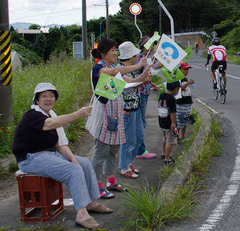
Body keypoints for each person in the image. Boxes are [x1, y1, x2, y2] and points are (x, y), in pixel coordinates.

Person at [12, 83, 112, 230]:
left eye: (51, 96)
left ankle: (91, 202)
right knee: (73, 170)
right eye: (44, 96)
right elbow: (49, 124)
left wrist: (73, 159)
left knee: (83, 163)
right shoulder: (32, 115)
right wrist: (78, 114)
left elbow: (61, 144)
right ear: (37, 100)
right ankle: (82, 215)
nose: (48, 99)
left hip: (50, 154)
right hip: (30, 158)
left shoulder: (52, 114)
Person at [88, 38, 147, 199]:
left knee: (113, 151)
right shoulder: (98, 69)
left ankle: (111, 181)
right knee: (100, 152)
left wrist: (147, 72)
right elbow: (114, 73)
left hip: (116, 114)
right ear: (103, 53)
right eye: (113, 50)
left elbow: (131, 83)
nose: (116, 53)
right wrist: (138, 66)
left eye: (116, 50)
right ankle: (97, 185)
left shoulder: (113, 68)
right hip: (103, 116)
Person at [118, 41, 153, 178]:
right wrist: (145, 74)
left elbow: (134, 84)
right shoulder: (119, 69)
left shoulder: (130, 68)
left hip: (135, 106)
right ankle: (124, 166)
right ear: (131, 56)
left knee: (139, 137)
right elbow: (130, 84)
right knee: (128, 139)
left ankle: (128, 162)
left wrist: (145, 77)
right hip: (127, 109)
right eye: (134, 54)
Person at [135, 36, 159, 160]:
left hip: (144, 92)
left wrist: (150, 83)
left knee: (140, 122)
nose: (154, 46)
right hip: (140, 93)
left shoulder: (144, 58)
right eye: (152, 44)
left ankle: (138, 149)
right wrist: (147, 80)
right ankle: (140, 151)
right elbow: (137, 77)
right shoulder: (140, 58)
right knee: (140, 122)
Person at [158, 81, 181, 164]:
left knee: (164, 138)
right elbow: (173, 113)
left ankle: (163, 153)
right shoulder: (172, 99)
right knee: (170, 141)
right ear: (176, 89)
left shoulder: (162, 95)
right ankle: (167, 158)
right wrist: (174, 124)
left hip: (162, 121)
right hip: (169, 123)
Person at [176, 62, 195, 143]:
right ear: (180, 69)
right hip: (181, 103)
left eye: (187, 69)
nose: (186, 71)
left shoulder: (184, 78)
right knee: (179, 122)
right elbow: (179, 89)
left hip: (187, 103)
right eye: (184, 69)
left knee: (185, 122)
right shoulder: (177, 78)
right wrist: (188, 83)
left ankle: (182, 137)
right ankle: (177, 138)